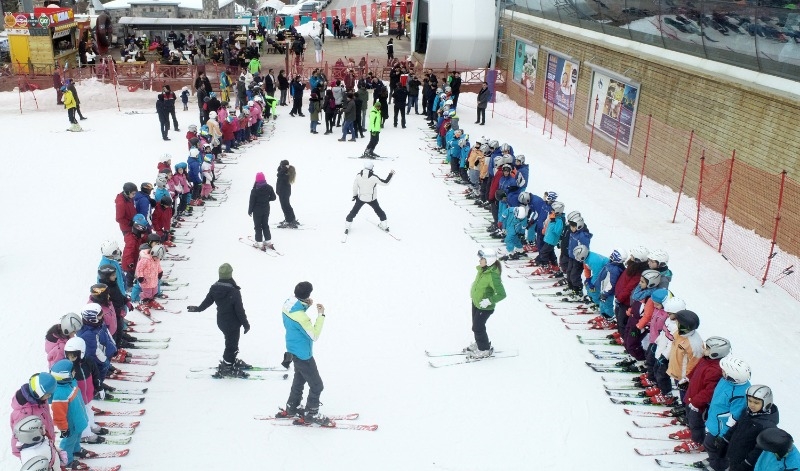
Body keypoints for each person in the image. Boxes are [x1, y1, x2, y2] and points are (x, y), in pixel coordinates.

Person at [275, 282, 331, 426]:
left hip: (292, 349)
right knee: (317, 385)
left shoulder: (287, 303)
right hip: (303, 354)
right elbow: (314, 335)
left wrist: (306, 305)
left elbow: (297, 312)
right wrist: (321, 315)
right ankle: (311, 414)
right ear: (308, 295)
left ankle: (292, 407)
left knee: (299, 379)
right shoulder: (302, 318)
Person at [187, 263, 252, 378]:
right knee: (231, 345)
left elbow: (207, 302)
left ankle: (231, 360)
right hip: (232, 323)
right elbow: (239, 310)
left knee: (231, 343)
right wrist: (246, 324)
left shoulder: (214, 288)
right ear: (230, 275)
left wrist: (198, 309)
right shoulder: (234, 291)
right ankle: (227, 367)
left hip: (222, 321)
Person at [723, 385, 780, 471]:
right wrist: (725, 440)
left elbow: (760, 448)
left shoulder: (767, 425)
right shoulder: (747, 412)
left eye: (756, 403)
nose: (752, 405)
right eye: (750, 401)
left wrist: (747, 463)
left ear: (766, 403)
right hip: (735, 455)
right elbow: (736, 427)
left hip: (746, 463)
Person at [463, 249, 507, 359]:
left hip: (485, 307)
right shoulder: (483, 270)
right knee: (476, 326)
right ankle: (480, 343)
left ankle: (484, 349)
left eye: (482, 259)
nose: (479, 261)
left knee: (478, 327)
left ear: (488, 260)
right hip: (476, 303)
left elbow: (502, 294)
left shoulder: (492, 275)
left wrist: (489, 300)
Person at [49, 359, 89, 470]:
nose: (75, 372)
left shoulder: (71, 382)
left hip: (79, 419)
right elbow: (59, 416)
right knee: (68, 443)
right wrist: (64, 429)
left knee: (77, 437)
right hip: (71, 425)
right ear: (65, 376)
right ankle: (66, 460)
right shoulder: (60, 393)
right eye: (72, 371)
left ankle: (76, 450)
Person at [344, 162, 395, 233]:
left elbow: (354, 187)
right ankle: (384, 226)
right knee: (379, 211)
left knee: (353, 211)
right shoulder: (374, 177)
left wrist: (355, 195)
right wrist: (391, 174)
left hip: (361, 198)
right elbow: (385, 183)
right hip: (372, 199)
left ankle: (347, 226)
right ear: (372, 168)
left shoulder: (358, 176)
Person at [248, 172, 277, 251]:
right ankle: (268, 241)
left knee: (258, 226)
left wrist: (250, 211)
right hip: (266, 210)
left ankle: (259, 242)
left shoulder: (254, 190)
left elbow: (252, 202)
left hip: (257, 211)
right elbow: (274, 197)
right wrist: (267, 199)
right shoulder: (269, 187)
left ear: (256, 180)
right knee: (265, 225)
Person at [276, 160, 298, 228]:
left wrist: (283, 169)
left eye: (281, 165)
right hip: (283, 192)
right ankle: (291, 218)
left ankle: (289, 220)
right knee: (286, 205)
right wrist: (282, 168)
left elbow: (278, 175)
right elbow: (278, 172)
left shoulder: (286, 173)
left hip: (284, 192)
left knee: (285, 206)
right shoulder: (284, 171)